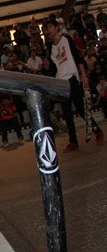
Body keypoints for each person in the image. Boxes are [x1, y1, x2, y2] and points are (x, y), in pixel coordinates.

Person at [44, 18, 103, 152]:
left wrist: (83, 75)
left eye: (50, 27)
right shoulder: (50, 47)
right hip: (60, 82)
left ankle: (97, 131)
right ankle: (73, 141)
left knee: (80, 108)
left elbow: (77, 57)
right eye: (46, 29)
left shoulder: (66, 39)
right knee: (67, 114)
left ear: (56, 27)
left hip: (72, 78)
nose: (48, 30)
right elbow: (54, 69)